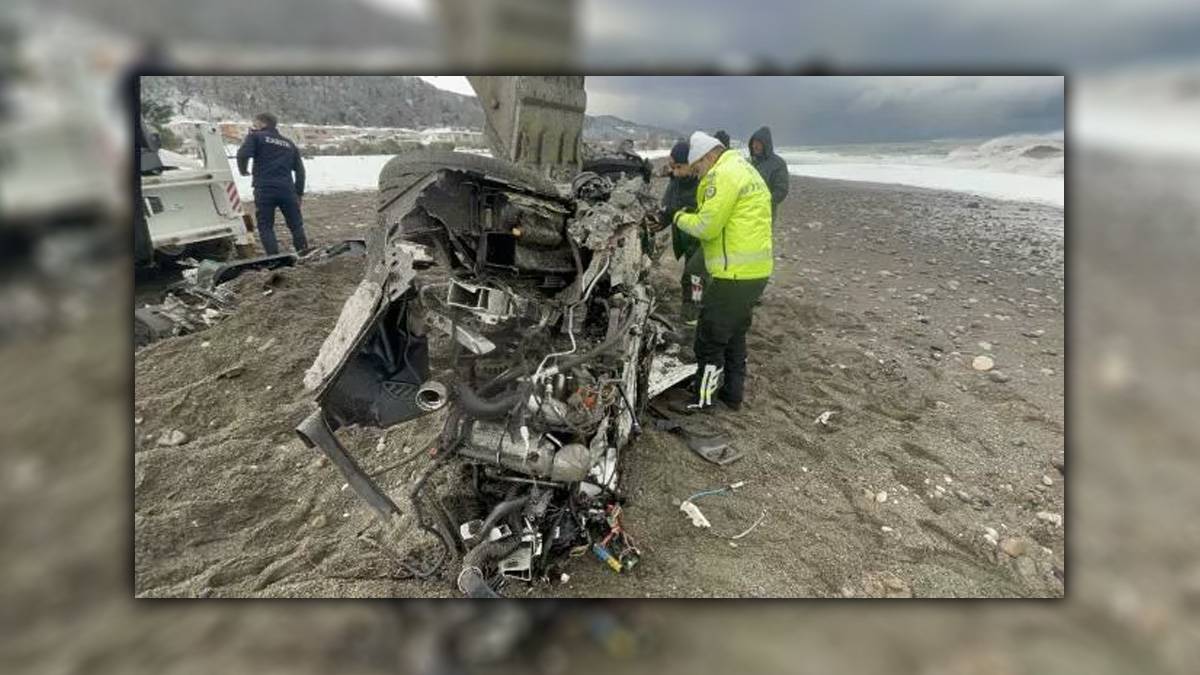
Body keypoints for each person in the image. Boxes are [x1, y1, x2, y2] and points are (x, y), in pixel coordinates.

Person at [672, 131, 773, 412]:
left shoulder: (723, 174)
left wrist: (677, 217)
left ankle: (703, 400)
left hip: (733, 273)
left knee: (709, 337)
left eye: (698, 167)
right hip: (755, 270)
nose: (699, 173)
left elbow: (707, 227)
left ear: (708, 156)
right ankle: (732, 395)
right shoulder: (745, 169)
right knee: (735, 335)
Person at [236, 112, 309, 255]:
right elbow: (300, 171)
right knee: (296, 225)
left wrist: (243, 170)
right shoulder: (289, 143)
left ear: (262, 123)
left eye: (255, 123)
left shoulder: (256, 137)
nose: (254, 125)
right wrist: (299, 193)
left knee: (266, 226)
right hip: (287, 189)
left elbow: (242, 155)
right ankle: (303, 252)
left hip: (265, 188)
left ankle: (274, 257)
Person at [660, 141, 704, 325]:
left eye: (679, 167)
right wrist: (659, 222)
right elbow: (667, 209)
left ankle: (694, 313)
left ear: (692, 163)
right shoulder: (676, 182)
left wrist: (678, 212)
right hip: (685, 238)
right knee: (690, 276)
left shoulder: (704, 183)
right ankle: (691, 311)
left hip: (701, 239)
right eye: (673, 167)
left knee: (695, 278)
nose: (675, 172)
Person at [748, 126, 789, 222]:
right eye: (754, 142)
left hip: (766, 211)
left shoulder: (778, 163)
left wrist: (765, 202)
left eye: (759, 143)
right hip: (746, 209)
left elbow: (781, 189)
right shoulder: (750, 162)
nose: (755, 146)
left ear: (766, 144)